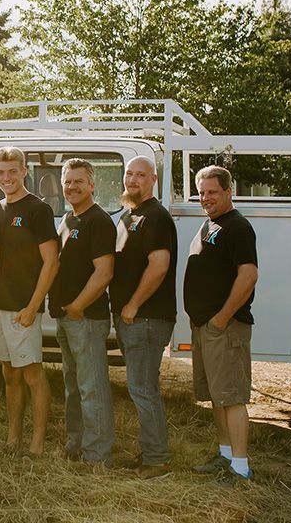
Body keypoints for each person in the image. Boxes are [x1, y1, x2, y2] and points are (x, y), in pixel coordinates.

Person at [184, 165, 259, 485]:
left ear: (230, 191)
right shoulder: (211, 224)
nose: (206, 198)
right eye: (202, 192)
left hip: (224, 328)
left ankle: (240, 468)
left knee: (231, 396)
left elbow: (248, 275)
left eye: (213, 192)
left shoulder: (237, 227)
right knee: (217, 395)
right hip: (206, 327)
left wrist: (221, 319)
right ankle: (225, 455)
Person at [109, 156, 177, 478]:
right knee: (142, 387)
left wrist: (133, 305)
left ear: (153, 180)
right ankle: (151, 453)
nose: (133, 180)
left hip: (146, 318)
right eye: (129, 174)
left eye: (140, 175)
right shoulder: (129, 216)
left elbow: (159, 265)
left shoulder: (156, 217)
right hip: (131, 320)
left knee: (142, 388)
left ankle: (157, 460)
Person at [0, 146, 58, 457]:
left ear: (24, 171)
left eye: (12, 171)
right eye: (1, 172)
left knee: (32, 373)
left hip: (23, 308)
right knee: (9, 373)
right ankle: (12, 439)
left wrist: (32, 307)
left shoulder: (38, 209)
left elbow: (51, 263)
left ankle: (37, 444)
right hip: (0, 305)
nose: (6, 178)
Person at [49, 158, 116, 464]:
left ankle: (98, 453)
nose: (72, 187)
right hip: (66, 317)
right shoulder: (69, 219)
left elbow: (104, 273)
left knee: (92, 387)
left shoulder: (98, 221)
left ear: (92, 185)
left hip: (86, 318)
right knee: (73, 386)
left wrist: (77, 306)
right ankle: (76, 443)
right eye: (67, 181)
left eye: (78, 181)